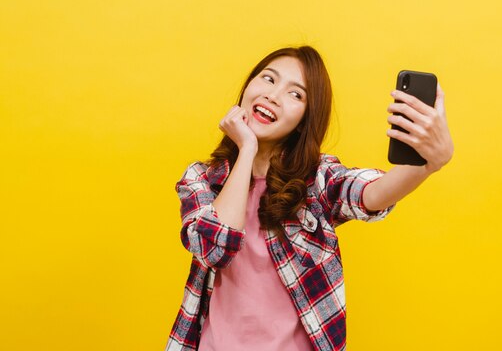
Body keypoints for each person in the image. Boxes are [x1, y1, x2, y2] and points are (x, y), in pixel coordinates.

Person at [165, 46, 453, 351]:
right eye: (268, 79)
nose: (273, 96)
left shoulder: (317, 179)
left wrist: (426, 165)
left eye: (296, 94)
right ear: (248, 87)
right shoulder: (201, 179)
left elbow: (371, 193)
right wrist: (247, 148)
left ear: (304, 119)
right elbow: (215, 249)